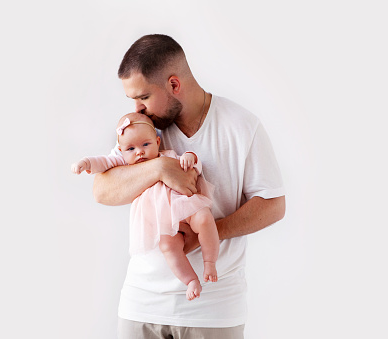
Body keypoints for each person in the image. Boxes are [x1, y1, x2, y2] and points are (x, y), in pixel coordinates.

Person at [92, 34, 286, 338]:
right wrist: (159, 167)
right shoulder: (143, 133)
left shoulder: (241, 126)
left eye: (143, 97)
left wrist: (209, 233)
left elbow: (273, 205)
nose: (137, 109)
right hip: (140, 304)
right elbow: (102, 190)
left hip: (213, 310)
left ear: (173, 84)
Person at [72, 113, 220, 300]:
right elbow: (104, 162)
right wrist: (86, 163)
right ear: (121, 151)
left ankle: (210, 262)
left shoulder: (168, 156)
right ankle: (191, 280)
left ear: (157, 142)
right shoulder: (127, 165)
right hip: (162, 218)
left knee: (205, 219)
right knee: (168, 246)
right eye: (131, 148)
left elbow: (194, 163)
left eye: (145, 145)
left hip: (184, 204)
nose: (139, 152)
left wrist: (190, 158)